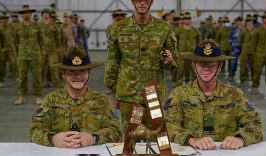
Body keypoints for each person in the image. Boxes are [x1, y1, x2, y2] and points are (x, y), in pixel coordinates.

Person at [164, 39, 263, 150]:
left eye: (211, 64)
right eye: (201, 63)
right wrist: (191, 139)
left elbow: (255, 125)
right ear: (194, 66)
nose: (205, 68)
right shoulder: (179, 94)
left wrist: (240, 138)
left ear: (219, 67)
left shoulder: (234, 94)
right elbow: (167, 126)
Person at [104, 0, 176, 130]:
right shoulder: (119, 28)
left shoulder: (164, 28)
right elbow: (112, 63)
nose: (142, 3)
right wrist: (115, 93)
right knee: (131, 139)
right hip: (129, 97)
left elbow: (174, 60)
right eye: (138, 0)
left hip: (153, 94)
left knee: (157, 137)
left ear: (151, 1)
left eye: (146, 0)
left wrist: (169, 62)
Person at [29, 45, 120, 148]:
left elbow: (115, 131)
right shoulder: (51, 99)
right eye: (71, 72)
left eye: (82, 71)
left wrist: (93, 138)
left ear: (90, 73)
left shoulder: (101, 100)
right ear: (63, 75)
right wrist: (53, 139)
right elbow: (35, 129)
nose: (77, 76)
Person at [14, 5, 43, 105]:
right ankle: (21, 97)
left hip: (35, 55)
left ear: (30, 14)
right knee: (22, 77)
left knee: (37, 76)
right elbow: (16, 41)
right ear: (22, 15)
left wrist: (39, 51)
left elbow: (41, 40)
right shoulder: (18, 27)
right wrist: (21, 50)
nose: (26, 14)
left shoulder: (37, 26)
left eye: (28, 12)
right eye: (24, 13)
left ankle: (38, 96)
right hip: (22, 56)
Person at [174, 11, 201, 87]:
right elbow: (174, 41)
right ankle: (178, 87)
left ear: (190, 19)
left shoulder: (195, 30)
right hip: (181, 55)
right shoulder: (178, 30)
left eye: (189, 18)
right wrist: (175, 53)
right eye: (185, 18)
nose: (187, 20)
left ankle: (195, 87)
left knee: (194, 72)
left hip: (193, 55)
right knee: (180, 72)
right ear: (183, 20)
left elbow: (199, 42)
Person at [238, 14, 255, 86]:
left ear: (252, 21)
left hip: (253, 51)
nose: (249, 22)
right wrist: (244, 47)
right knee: (243, 66)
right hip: (245, 51)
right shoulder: (243, 30)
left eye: (250, 21)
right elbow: (240, 41)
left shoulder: (256, 30)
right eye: (248, 21)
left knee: (254, 66)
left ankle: (254, 80)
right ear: (246, 22)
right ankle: (243, 80)